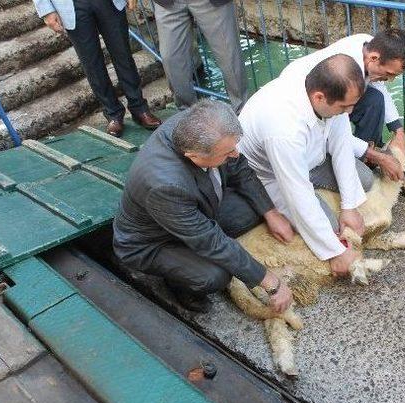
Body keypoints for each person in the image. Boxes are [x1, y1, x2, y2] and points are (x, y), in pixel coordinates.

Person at [113, 99, 293, 313]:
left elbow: (240, 168)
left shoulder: (203, 126)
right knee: (215, 276)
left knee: (252, 211)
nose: (235, 154)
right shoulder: (165, 185)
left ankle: (202, 249)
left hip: (191, 210)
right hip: (154, 242)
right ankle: (178, 281)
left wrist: (271, 213)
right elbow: (211, 241)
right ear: (194, 156)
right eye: (227, 154)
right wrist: (270, 282)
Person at [239, 54, 402, 277]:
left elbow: (342, 145)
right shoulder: (283, 129)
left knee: (364, 180)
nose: (350, 112)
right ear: (319, 98)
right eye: (345, 107)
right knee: (332, 228)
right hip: (271, 175)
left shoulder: (327, 93)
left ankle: (328, 201)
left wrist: (349, 206)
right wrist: (334, 251)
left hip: (309, 158)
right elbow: (297, 192)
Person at [279, 29, 405, 180]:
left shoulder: (369, 45)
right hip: (302, 115)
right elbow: (339, 133)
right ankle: (356, 164)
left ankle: (363, 162)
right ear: (374, 58)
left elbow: (379, 88)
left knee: (374, 99)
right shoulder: (343, 76)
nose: (389, 80)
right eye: (389, 74)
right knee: (363, 179)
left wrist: (398, 131)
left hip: (325, 101)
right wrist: (380, 157)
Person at [33, 0, 162, 137]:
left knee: (123, 54)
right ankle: (113, 113)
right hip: (71, 5)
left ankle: (139, 108)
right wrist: (46, 10)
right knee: (91, 63)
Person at [152, 0, 248, 113]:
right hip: (168, 4)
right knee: (171, 59)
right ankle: (187, 117)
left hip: (210, 3)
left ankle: (243, 114)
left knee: (229, 57)